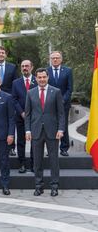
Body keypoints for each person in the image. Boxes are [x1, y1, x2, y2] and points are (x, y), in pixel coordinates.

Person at [25, 68, 65, 197]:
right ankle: (38, 186)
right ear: (35, 79)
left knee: (54, 160)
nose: (42, 79)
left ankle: (54, 186)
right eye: (39, 77)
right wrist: (27, 130)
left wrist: (61, 129)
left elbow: (61, 113)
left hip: (53, 131)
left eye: (44, 77)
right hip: (36, 131)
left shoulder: (56, 92)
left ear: (48, 77)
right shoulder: (30, 93)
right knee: (37, 161)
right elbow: (28, 114)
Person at [11, 60, 37, 173]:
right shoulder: (16, 82)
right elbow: (14, 99)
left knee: (35, 141)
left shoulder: (38, 81)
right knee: (21, 141)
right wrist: (21, 112)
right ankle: (22, 164)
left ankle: (33, 164)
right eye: (22, 66)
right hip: (20, 116)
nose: (24, 68)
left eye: (27, 66)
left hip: (35, 116)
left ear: (32, 67)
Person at [47, 51, 73, 157]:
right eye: (53, 58)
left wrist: (62, 100)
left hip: (64, 104)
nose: (55, 59)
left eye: (57, 57)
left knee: (63, 126)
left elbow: (69, 88)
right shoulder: (46, 71)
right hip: (49, 104)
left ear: (61, 59)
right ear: (50, 59)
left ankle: (64, 148)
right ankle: (51, 149)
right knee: (50, 126)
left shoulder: (68, 71)